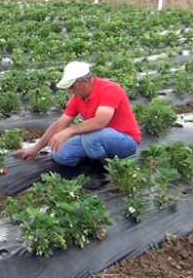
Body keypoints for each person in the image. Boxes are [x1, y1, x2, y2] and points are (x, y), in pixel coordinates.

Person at [14, 61, 141, 190]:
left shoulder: (110, 89)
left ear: (85, 81)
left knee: (90, 136)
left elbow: (100, 122)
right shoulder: (78, 98)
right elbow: (60, 124)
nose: (70, 91)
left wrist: (69, 132)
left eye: (72, 86)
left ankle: (103, 176)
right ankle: (97, 160)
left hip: (125, 141)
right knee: (61, 154)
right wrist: (35, 149)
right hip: (100, 138)